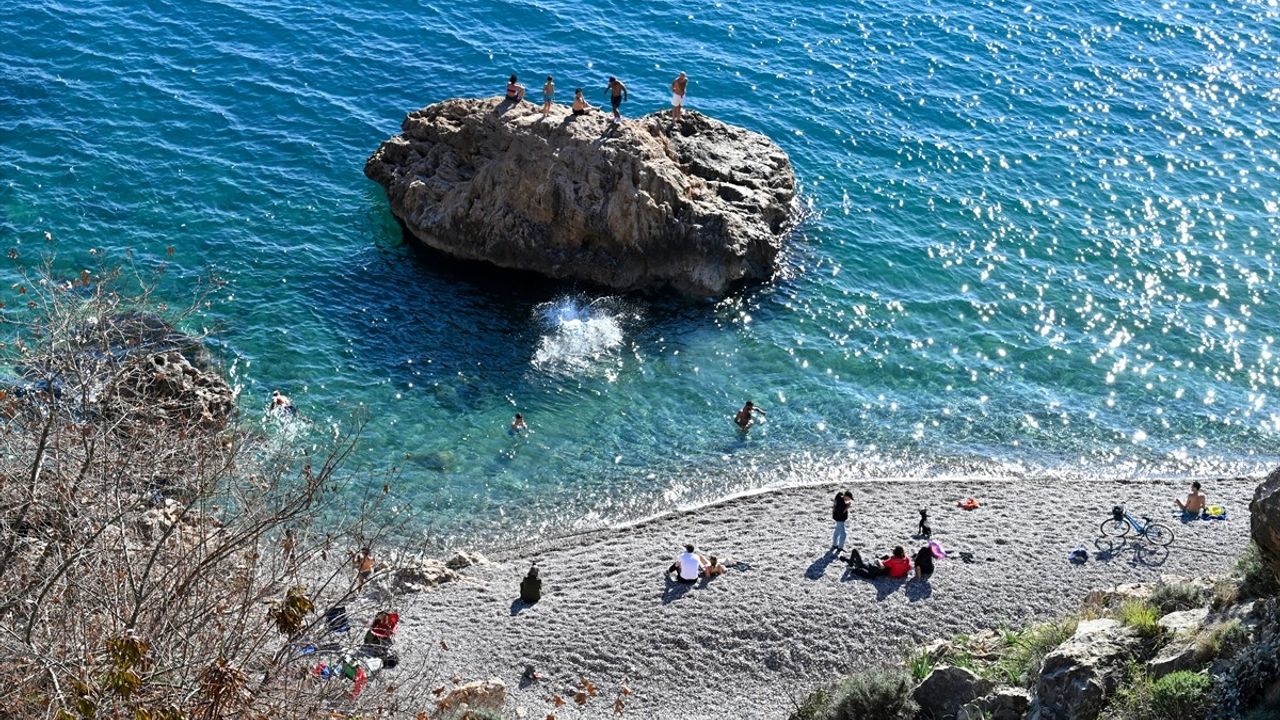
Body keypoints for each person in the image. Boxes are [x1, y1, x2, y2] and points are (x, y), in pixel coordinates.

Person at [846, 546, 911, 580]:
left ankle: (850, 564)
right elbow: (909, 567)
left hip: (877, 569)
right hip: (887, 572)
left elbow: (882, 566)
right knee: (886, 556)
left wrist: (878, 560)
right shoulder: (907, 559)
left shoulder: (892, 560)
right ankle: (852, 563)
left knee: (860, 562)